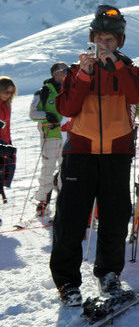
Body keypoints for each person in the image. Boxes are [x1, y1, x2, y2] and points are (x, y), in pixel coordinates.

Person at [51, 5, 139, 306]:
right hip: (80, 152)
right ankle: (67, 282)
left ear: (119, 42)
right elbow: (66, 109)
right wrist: (83, 75)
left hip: (117, 154)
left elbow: (138, 96)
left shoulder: (129, 69)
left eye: (111, 40)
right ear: (92, 39)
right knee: (71, 219)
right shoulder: (78, 70)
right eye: (101, 39)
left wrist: (116, 66)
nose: (105, 45)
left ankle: (109, 274)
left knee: (115, 218)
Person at [28, 63, 68, 217]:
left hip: (67, 136)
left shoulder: (71, 89)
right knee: (48, 169)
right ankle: (43, 201)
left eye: (67, 70)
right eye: (61, 70)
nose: (64, 73)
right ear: (54, 73)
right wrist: (46, 115)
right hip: (50, 136)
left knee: (66, 169)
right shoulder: (43, 92)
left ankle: (64, 201)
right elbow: (33, 114)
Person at [0, 77, 17, 198]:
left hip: (5, 144)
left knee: (2, 178)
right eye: (7, 92)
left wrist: (9, 142)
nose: (9, 95)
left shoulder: (6, 104)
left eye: (12, 92)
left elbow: (7, 127)